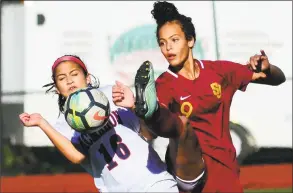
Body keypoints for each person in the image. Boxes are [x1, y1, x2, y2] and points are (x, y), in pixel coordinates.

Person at [112, 1, 286, 193]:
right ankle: (149, 109)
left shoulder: (219, 71)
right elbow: (149, 132)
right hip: (191, 174)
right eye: (162, 43)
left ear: (190, 40)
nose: (168, 48)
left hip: (227, 172)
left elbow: (277, 79)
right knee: (177, 122)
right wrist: (137, 107)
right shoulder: (164, 84)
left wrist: (268, 69)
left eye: (174, 40)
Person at [19, 55, 179, 193]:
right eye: (61, 78)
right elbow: (76, 156)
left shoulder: (110, 94)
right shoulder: (64, 124)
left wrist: (133, 105)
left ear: (87, 78)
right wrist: (42, 122)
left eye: (74, 74)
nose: (69, 80)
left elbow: (149, 133)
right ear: (56, 88)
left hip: (154, 180)